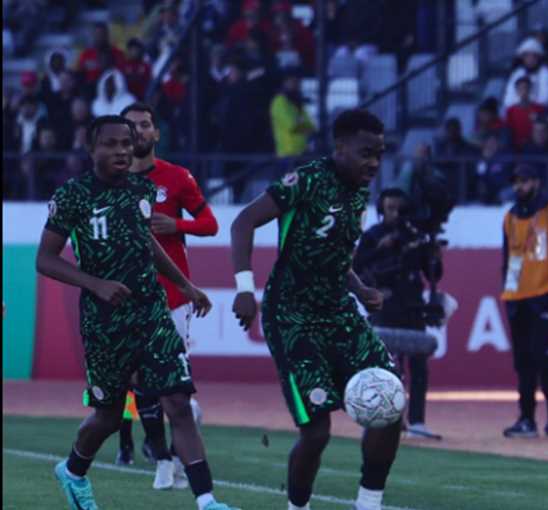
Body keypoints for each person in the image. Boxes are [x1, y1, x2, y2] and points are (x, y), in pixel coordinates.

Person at [38, 115, 235, 510]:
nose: (122, 151)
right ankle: (73, 471)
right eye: (111, 144)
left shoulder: (142, 190)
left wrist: (184, 285)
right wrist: (96, 283)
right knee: (109, 417)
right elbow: (45, 259)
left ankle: (208, 501)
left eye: (126, 144)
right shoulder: (73, 196)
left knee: (178, 402)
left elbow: (145, 241)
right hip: (104, 322)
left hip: (152, 313)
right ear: (91, 149)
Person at [230, 109, 401, 510]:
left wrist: (359, 288)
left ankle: (369, 502)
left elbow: (335, 254)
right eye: (365, 153)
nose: (374, 163)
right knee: (317, 431)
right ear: (340, 148)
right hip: (292, 316)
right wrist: (244, 289)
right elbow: (243, 222)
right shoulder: (306, 181)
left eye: (379, 154)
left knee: (391, 402)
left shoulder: (359, 192)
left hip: (339, 312)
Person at [122, 102, 220, 490]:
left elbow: (210, 224)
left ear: (156, 133)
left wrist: (176, 224)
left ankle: (178, 457)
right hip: (129, 296)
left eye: (145, 125)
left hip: (172, 298)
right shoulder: (113, 181)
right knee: (138, 380)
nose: (138, 131)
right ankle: (162, 456)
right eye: (131, 126)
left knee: (169, 384)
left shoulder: (177, 178)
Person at [353, 188, 443, 440]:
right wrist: (381, 248)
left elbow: (433, 274)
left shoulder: (416, 237)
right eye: (390, 208)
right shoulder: (373, 235)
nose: (395, 214)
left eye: (399, 209)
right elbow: (356, 267)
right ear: (381, 210)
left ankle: (417, 421)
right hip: (384, 306)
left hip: (412, 304)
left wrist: (435, 257)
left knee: (418, 363)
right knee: (383, 365)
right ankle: (381, 418)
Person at [501, 164, 548, 438]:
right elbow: (508, 259)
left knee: (541, 356)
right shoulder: (510, 216)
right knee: (522, 361)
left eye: (524, 181)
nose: (519, 187)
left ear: (536, 182)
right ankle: (527, 418)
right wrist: (507, 294)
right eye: (516, 182)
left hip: (544, 295)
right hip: (517, 297)